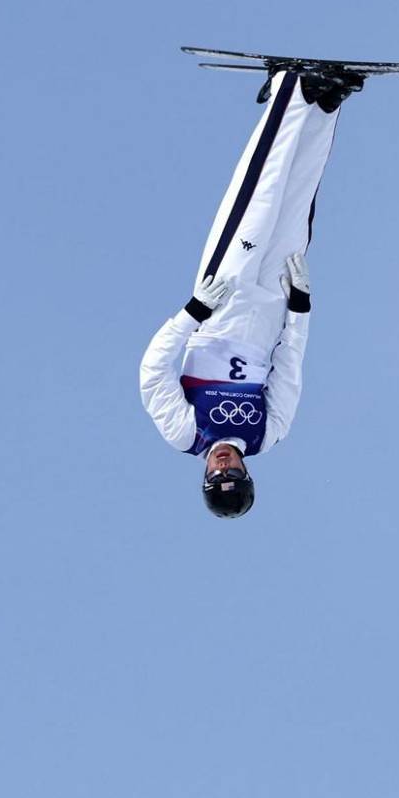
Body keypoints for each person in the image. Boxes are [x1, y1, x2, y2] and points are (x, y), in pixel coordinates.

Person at [140, 70, 363, 518]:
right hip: (269, 316)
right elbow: (289, 368)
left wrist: (193, 312)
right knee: (295, 206)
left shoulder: (187, 434)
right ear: (246, 474)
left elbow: (152, 372)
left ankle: (290, 87)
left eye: (215, 477)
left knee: (257, 201)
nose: (223, 468)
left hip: (220, 308)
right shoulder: (268, 432)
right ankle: (323, 104)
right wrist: (299, 309)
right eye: (233, 477)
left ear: (204, 476)